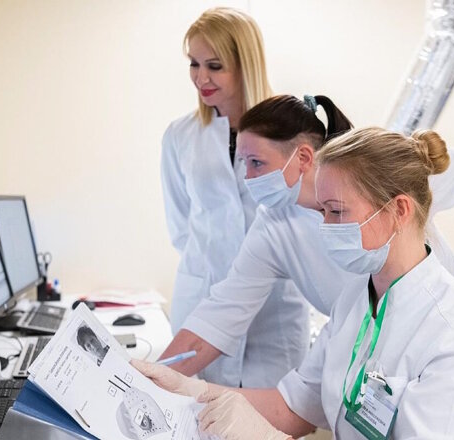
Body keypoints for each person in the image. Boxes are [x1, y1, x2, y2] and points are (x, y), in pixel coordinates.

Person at [135, 127, 454, 439]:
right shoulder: (357, 300)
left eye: (336, 211)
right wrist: (190, 391)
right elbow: (294, 406)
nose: (325, 228)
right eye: (322, 211)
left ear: (399, 210)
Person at [160, 95, 454, 380]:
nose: (248, 179)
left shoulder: (375, 173)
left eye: (257, 163)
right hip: (386, 366)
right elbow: (223, 312)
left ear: (303, 158)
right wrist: (152, 378)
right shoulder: (273, 226)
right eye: (244, 164)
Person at [161, 8, 310, 387]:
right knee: (195, 409)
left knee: (270, 413)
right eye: (194, 64)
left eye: (215, 65)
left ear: (246, 65)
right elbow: (181, 227)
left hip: (272, 317)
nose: (201, 78)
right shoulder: (180, 135)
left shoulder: (293, 131)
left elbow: (308, 215)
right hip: (201, 302)